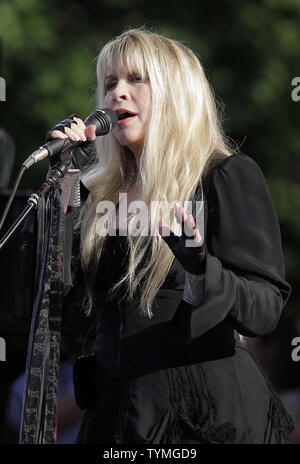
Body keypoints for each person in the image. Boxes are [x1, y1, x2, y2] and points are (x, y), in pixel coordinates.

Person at [48, 28, 294, 444]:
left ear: (175, 92)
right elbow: (61, 305)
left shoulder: (223, 176)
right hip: (117, 416)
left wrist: (200, 268)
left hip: (200, 417)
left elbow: (264, 308)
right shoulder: (94, 194)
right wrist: (65, 177)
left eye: (135, 80)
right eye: (109, 84)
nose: (116, 94)